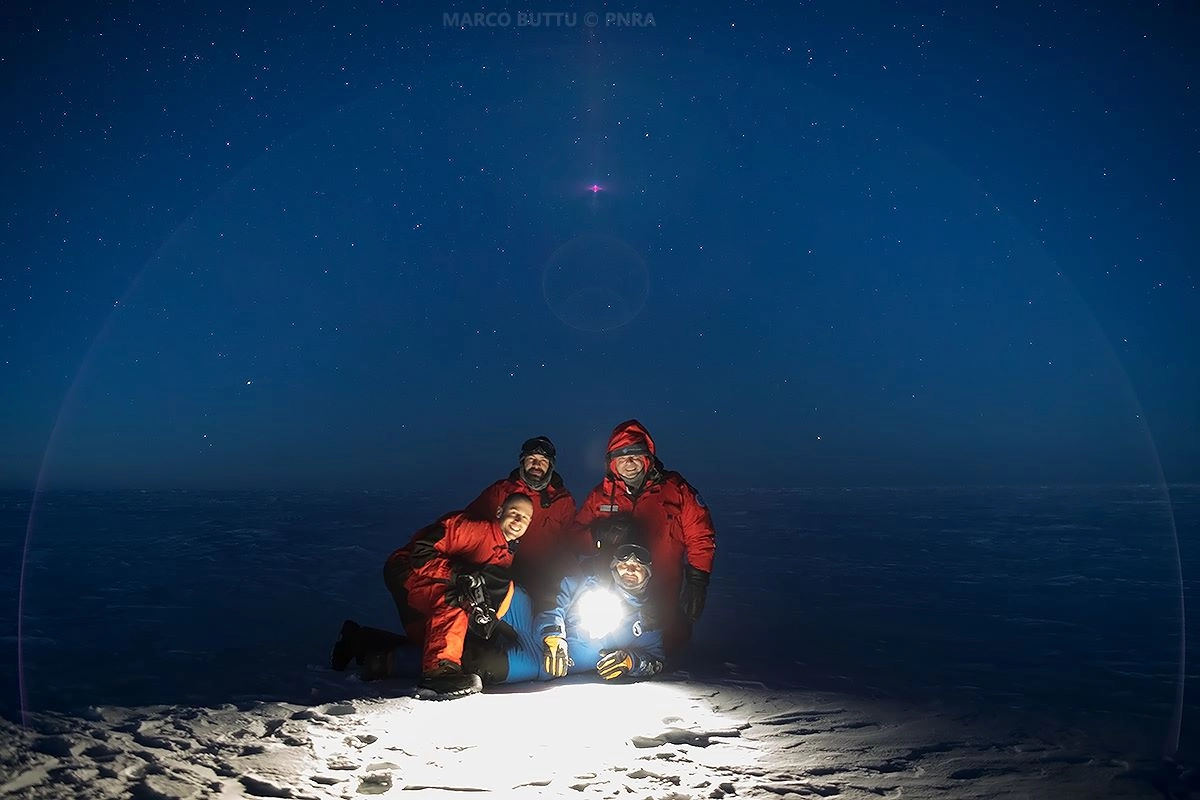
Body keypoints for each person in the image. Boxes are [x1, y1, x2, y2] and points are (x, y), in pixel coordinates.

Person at [461, 516, 665, 685]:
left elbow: (655, 658)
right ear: (613, 566)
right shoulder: (588, 579)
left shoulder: (648, 618)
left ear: (648, 573)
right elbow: (555, 601)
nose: (630, 570)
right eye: (624, 564)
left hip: (543, 663)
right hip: (530, 619)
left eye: (638, 567)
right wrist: (553, 635)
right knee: (486, 590)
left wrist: (630, 661)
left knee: (479, 664)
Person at [573, 419, 716, 656]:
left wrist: (697, 581)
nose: (628, 463)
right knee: (600, 648)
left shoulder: (675, 490)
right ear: (612, 462)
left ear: (647, 458)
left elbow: (701, 535)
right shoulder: (601, 496)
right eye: (621, 457)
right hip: (614, 593)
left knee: (668, 650)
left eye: (634, 456)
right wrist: (598, 535)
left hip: (663, 594)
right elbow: (573, 538)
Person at [377, 492, 534, 698]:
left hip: (432, 577)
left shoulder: (505, 554)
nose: (518, 521)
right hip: (406, 569)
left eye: (524, 518)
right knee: (457, 600)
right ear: (499, 512)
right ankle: (438, 674)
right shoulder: (473, 528)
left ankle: (361, 642)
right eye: (514, 513)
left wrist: (487, 622)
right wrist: (458, 575)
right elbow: (421, 553)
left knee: (426, 638)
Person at [463, 436, 576, 610]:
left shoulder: (563, 500)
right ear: (523, 462)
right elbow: (470, 523)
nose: (536, 465)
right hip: (501, 569)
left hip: (542, 576)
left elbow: (570, 540)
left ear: (550, 466)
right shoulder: (501, 491)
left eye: (542, 461)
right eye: (531, 459)